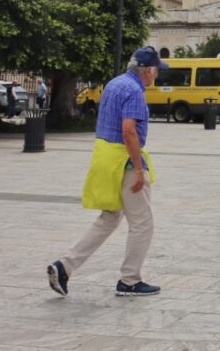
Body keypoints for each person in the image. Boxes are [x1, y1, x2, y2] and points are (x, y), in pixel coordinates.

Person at [47, 46, 167, 298]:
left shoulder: (114, 84)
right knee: (142, 223)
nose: (156, 75)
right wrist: (137, 169)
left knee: (109, 218)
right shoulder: (135, 91)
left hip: (104, 158)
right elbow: (128, 131)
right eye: (156, 70)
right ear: (147, 71)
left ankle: (64, 266)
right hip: (123, 162)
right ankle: (130, 280)